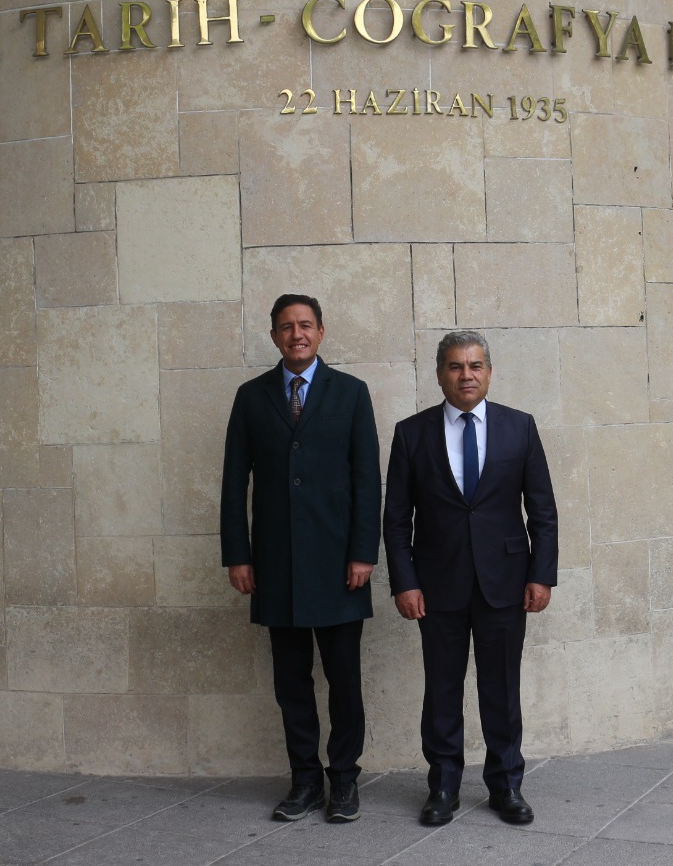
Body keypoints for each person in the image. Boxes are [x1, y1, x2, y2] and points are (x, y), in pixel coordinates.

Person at [382, 330, 559, 827]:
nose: (466, 375)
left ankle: (507, 786)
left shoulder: (519, 427)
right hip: (437, 585)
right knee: (442, 689)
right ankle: (443, 787)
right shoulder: (411, 433)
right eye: (456, 366)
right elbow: (396, 519)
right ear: (440, 374)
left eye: (475, 365)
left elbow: (542, 510)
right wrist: (404, 581)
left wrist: (541, 575)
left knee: (502, 688)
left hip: (506, 581)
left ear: (489, 373)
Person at [220, 294, 381, 824]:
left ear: (321, 332)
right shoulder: (251, 397)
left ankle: (345, 780)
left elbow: (367, 479)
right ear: (274, 336)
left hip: (340, 566)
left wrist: (363, 552)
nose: (297, 334)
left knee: (344, 681)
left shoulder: (351, 393)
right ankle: (305, 781)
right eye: (287, 327)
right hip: (277, 565)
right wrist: (238, 555)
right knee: (291, 683)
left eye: (306, 325)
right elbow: (234, 481)